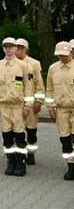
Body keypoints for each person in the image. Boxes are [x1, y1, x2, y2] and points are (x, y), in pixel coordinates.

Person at [0, 37, 33, 177]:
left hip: (18, 107)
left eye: (11, 46)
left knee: (20, 135)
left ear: (16, 48)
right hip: (3, 106)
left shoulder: (23, 66)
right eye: (5, 46)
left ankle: (20, 162)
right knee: (7, 135)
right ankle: (11, 161)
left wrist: (27, 106)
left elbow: (28, 88)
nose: (8, 49)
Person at [46, 41, 74, 180]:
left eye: (64, 54)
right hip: (61, 109)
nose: (62, 57)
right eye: (59, 55)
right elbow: (49, 89)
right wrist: (50, 107)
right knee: (65, 139)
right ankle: (70, 166)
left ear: (70, 52)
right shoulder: (53, 68)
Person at [16, 38, 45, 165]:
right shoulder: (11, 63)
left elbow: (39, 84)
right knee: (17, 130)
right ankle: (19, 153)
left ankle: (31, 154)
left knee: (31, 129)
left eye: (18, 48)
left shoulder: (34, 64)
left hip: (30, 102)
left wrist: (39, 101)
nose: (15, 50)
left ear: (24, 49)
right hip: (15, 103)